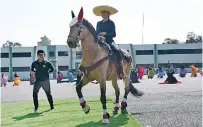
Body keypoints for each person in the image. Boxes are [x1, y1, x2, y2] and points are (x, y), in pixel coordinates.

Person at [93, 5, 124, 79]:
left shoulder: (111, 23)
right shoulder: (98, 23)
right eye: (102, 12)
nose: (103, 14)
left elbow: (114, 34)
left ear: (108, 14)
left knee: (117, 51)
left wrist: (106, 33)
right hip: (100, 42)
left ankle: (121, 71)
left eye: (105, 12)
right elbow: (96, 33)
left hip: (109, 41)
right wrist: (98, 35)